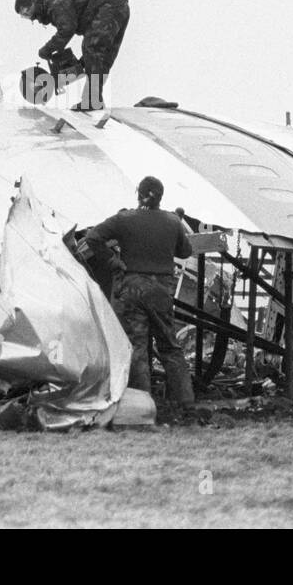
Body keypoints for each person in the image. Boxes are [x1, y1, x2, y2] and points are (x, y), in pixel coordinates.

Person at [84, 176, 194, 414]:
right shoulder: (172, 221)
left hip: (132, 287)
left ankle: (142, 406)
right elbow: (185, 251)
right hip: (161, 289)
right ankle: (186, 403)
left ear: (139, 193)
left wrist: (113, 262)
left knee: (136, 346)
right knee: (170, 346)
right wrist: (177, 227)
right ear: (161, 196)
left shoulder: (124, 219)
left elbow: (93, 237)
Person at [14, 0, 130, 110]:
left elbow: (67, 28)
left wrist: (47, 49)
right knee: (101, 57)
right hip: (120, 7)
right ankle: (91, 99)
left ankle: (92, 100)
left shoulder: (52, 0)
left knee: (91, 49)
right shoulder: (51, 0)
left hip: (107, 6)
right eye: (25, 16)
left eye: (26, 11)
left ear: (33, 1)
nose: (29, 16)